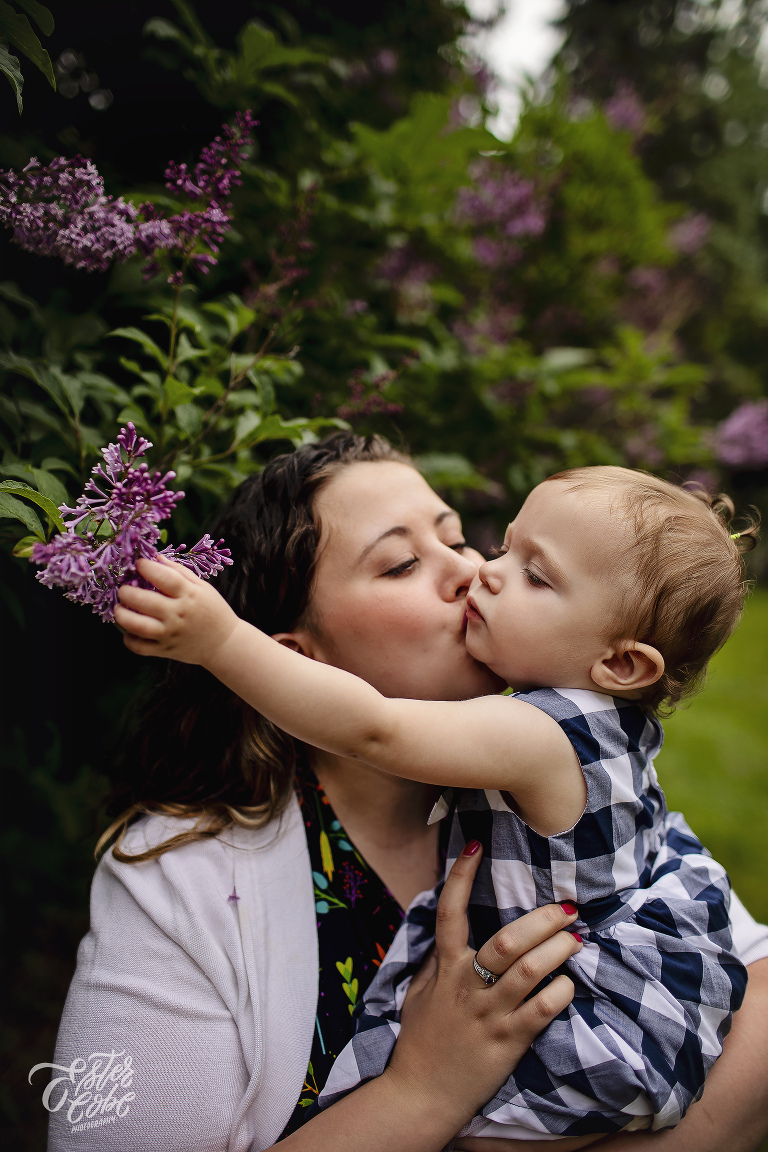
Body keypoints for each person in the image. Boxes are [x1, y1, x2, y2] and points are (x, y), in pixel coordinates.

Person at [52, 435, 768, 1152]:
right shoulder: (182, 881)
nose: (471, 570)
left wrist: (218, 639)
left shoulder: (541, 753)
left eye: (457, 537)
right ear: (295, 659)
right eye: (401, 563)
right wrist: (422, 1091)